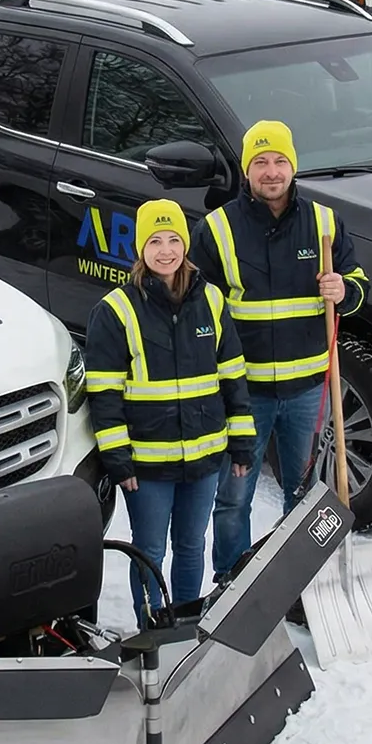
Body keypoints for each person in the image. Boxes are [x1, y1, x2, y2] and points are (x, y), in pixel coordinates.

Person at [190, 120, 368, 581]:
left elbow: (361, 287)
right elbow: (197, 309)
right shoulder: (218, 229)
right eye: (261, 162)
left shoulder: (324, 223)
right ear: (247, 170)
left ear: (293, 166)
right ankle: (231, 582)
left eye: (280, 161)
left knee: (305, 493)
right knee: (234, 494)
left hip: (308, 388)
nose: (272, 172)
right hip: (243, 393)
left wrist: (342, 289)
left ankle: (299, 580)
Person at [84, 200, 254, 624]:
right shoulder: (115, 311)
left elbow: (232, 375)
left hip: (203, 460)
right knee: (150, 550)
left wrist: (242, 442)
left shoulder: (211, 301)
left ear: (186, 245)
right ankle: (152, 633)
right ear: (140, 248)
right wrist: (117, 460)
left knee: (192, 545)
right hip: (146, 465)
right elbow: (104, 393)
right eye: (155, 241)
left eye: (174, 239)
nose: (166, 250)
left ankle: (186, 622)